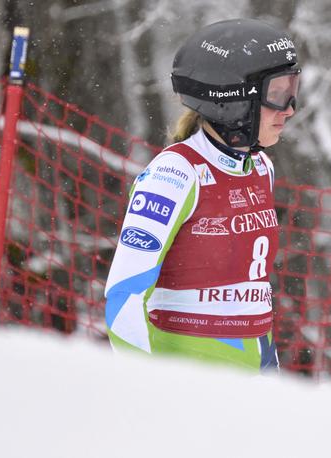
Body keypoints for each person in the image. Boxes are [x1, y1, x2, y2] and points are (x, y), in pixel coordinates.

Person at [103, 18, 300, 372]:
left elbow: (248, 292)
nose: (289, 108)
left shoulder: (261, 168)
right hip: (191, 381)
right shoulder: (175, 174)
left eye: (292, 89)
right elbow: (123, 296)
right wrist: (146, 386)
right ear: (234, 99)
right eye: (277, 94)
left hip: (254, 369)